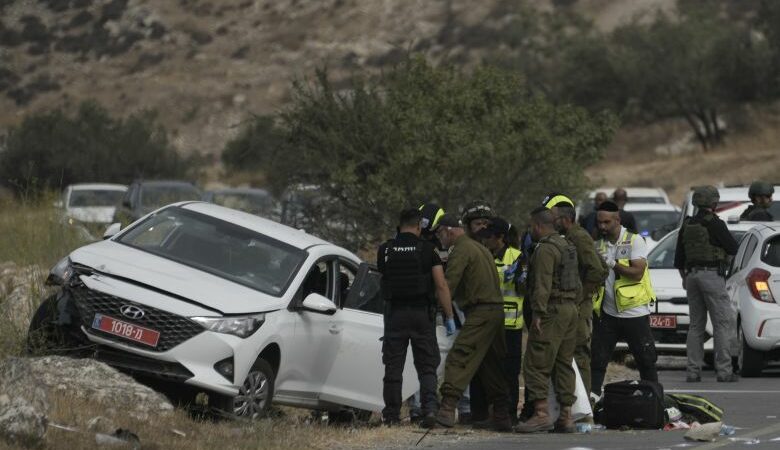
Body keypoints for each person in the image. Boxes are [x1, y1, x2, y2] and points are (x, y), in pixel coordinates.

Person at [377, 208, 456, 427]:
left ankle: (391, 415)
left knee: (393, 367)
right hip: (422, 315)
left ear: (399, 225)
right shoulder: (428, 249)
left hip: (395, 316)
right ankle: (430, 410)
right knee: (427, 366)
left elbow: (385, 281)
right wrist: (449, 316)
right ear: (419, 226)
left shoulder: (385, 250)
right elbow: (440, 285)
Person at [434, 213, 511, 432]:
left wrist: (445, 312)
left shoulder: (461, 249)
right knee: (491, 364)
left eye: (441, 234)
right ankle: (502, 415)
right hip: (496, 311)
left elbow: (448, 285)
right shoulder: (481, 248)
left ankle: (446, 411)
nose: (441, 239)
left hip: (481, 311)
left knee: (460, 355)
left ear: (449, 231)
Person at [514, 207, 581, 434]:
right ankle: (566, 416)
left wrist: (538, 314)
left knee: (536, 362)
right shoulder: (568, 246)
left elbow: (542, 284)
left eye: (532, 226)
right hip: (571, 309)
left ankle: (541, 414)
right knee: (564, 363)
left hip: (551, 310)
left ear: (538, 226)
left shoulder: (544, 250)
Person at [590, 200, 658, 397]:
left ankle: (653, 400)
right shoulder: (599, 244)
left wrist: (611, 263)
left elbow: (637, 272)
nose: (602, 226)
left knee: (646, 361)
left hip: (634, 312)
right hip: (608, 313)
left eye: (606, 222)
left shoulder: (634, 240)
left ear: (617, 220)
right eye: (599, 222)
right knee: (598, 360)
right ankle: (592, 403)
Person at [547, 195, 608, 407]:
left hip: (579, 305)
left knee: (579, 352)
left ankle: (584, 405)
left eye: (554, 218)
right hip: (573, 303)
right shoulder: (570, 237)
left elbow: (598, 270)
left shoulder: (578, 237)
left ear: (564, 219)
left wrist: (581, 297)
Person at [675, 186, 740, 382]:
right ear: (714, 203)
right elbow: (732, 247)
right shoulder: (715, 224)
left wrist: (685, 278)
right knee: (721, 324)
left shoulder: (687, 224)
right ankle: (724, 371)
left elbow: (679, 258)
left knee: (696, 325)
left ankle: (693, 372)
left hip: (691, 276)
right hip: (711, 275)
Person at [477, 217, 524, 424]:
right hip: (488, 323)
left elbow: (524, 289)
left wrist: (519, 275)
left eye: (489, 237)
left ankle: (510, 415)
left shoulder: (517, 257)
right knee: (489, 371)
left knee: (510, 373)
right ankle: (492, 414)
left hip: (511, 323)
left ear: (501, 238)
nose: (485, 241)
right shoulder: (483, 255)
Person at [459, 199, 496, 423]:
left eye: (485, 223)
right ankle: (470, 409)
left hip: (497, 316)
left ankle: (496, 411)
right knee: (468, 362)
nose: (482, 227)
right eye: (477, 223)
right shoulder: (463, 249)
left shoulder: (501, 248)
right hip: (470, 313)